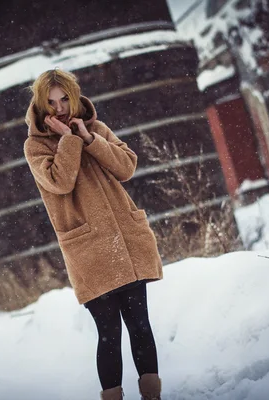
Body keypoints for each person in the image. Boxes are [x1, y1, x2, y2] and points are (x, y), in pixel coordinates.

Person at [23, 68, 164, 400]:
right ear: (41, 106)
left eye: (64, 99)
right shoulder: (35, 146)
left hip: (126, 243)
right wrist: (69, 140)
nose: (60, 109)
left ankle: (153, 397)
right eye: (51, 102)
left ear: (75, 96)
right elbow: (60, 181)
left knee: (140, 325)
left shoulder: (96, 129)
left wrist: (88, 138)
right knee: (109, 334)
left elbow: (126, 167)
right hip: (89, 252)